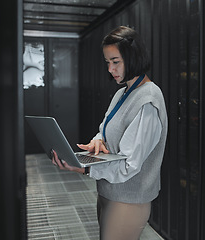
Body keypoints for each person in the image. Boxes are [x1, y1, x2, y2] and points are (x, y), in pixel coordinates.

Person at [51, 26, 168, 240]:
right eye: (107, 62)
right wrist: (97, 142)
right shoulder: (121, 93)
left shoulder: (149, 98)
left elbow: (128, 165)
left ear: (133, 58)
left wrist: (84, 169)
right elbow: (104, 129)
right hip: (108, 193)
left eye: (116, 62)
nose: (110, 69)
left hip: (128, 201)